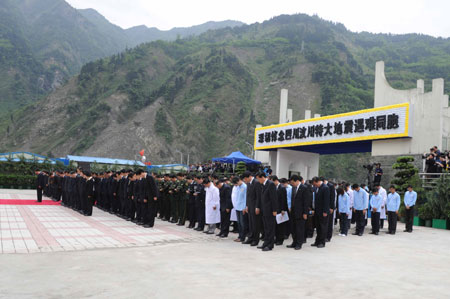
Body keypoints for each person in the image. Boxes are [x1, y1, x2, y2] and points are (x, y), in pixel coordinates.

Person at [255, 172, 278, 251]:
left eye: (258, 179)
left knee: (270, 228)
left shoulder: (270, 184)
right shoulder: (263, 185)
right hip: (264, 210)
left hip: (270, 210)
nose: (258, 181)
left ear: (262, 177)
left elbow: (274, 198)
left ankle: (270, 245)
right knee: (266, 228)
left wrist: (275, 210)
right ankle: (266, 243)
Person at [287, 175, 311, 250]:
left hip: (301, 212)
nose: (292, 184)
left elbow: (306, 202)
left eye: (293, 182)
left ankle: (299, 243)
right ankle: (294, 242)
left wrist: (305, 213)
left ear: (297, 181)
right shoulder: (294, 188)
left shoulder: (304, 188)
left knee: (299, 229)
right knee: (293, 228)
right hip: (293, 211)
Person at [242, 171, 262, 246]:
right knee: (250, 223)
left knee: (255, 224)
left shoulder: (256, 182)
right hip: (250, 206)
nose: (245, 180)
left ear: (249, 177)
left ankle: (255, 240)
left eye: (245, 179)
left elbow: (258, 196)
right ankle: (250, 238)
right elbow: (248, 195)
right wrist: (247, 206)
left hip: (255, 207)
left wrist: (257, 207)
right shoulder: (248, 183)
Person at [311, 177, 329, 248]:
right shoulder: (317, 188)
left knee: (322, 227)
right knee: (318, 227)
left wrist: (325, 211)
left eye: (315, 184)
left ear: (318, 181)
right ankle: (317, 241)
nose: (315, 186)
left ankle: (322, 242)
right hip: (317, 211)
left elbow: (326, 201)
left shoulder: (325, 188)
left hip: (323, 211)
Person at [271, 176, 288, 246]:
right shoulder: (274, 187)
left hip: (281, 209)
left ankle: (280, 240)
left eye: (272, 181)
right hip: (275, 209)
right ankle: (276, 238)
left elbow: (284, 200)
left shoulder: (282, 188)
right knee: (276, 225)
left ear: (275, 181)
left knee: (281, 226)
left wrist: (283, 209)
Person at [232, 176, 248, 242]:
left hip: (242, 207)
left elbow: (245, 198)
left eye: (236, 183)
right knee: (239, 223)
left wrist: (245, 207)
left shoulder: (244, 187)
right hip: (237, 207)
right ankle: (240, 236)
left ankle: (243, 237)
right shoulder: (238, 187)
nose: (236, 185)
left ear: (239, 180)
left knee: (242, 223)